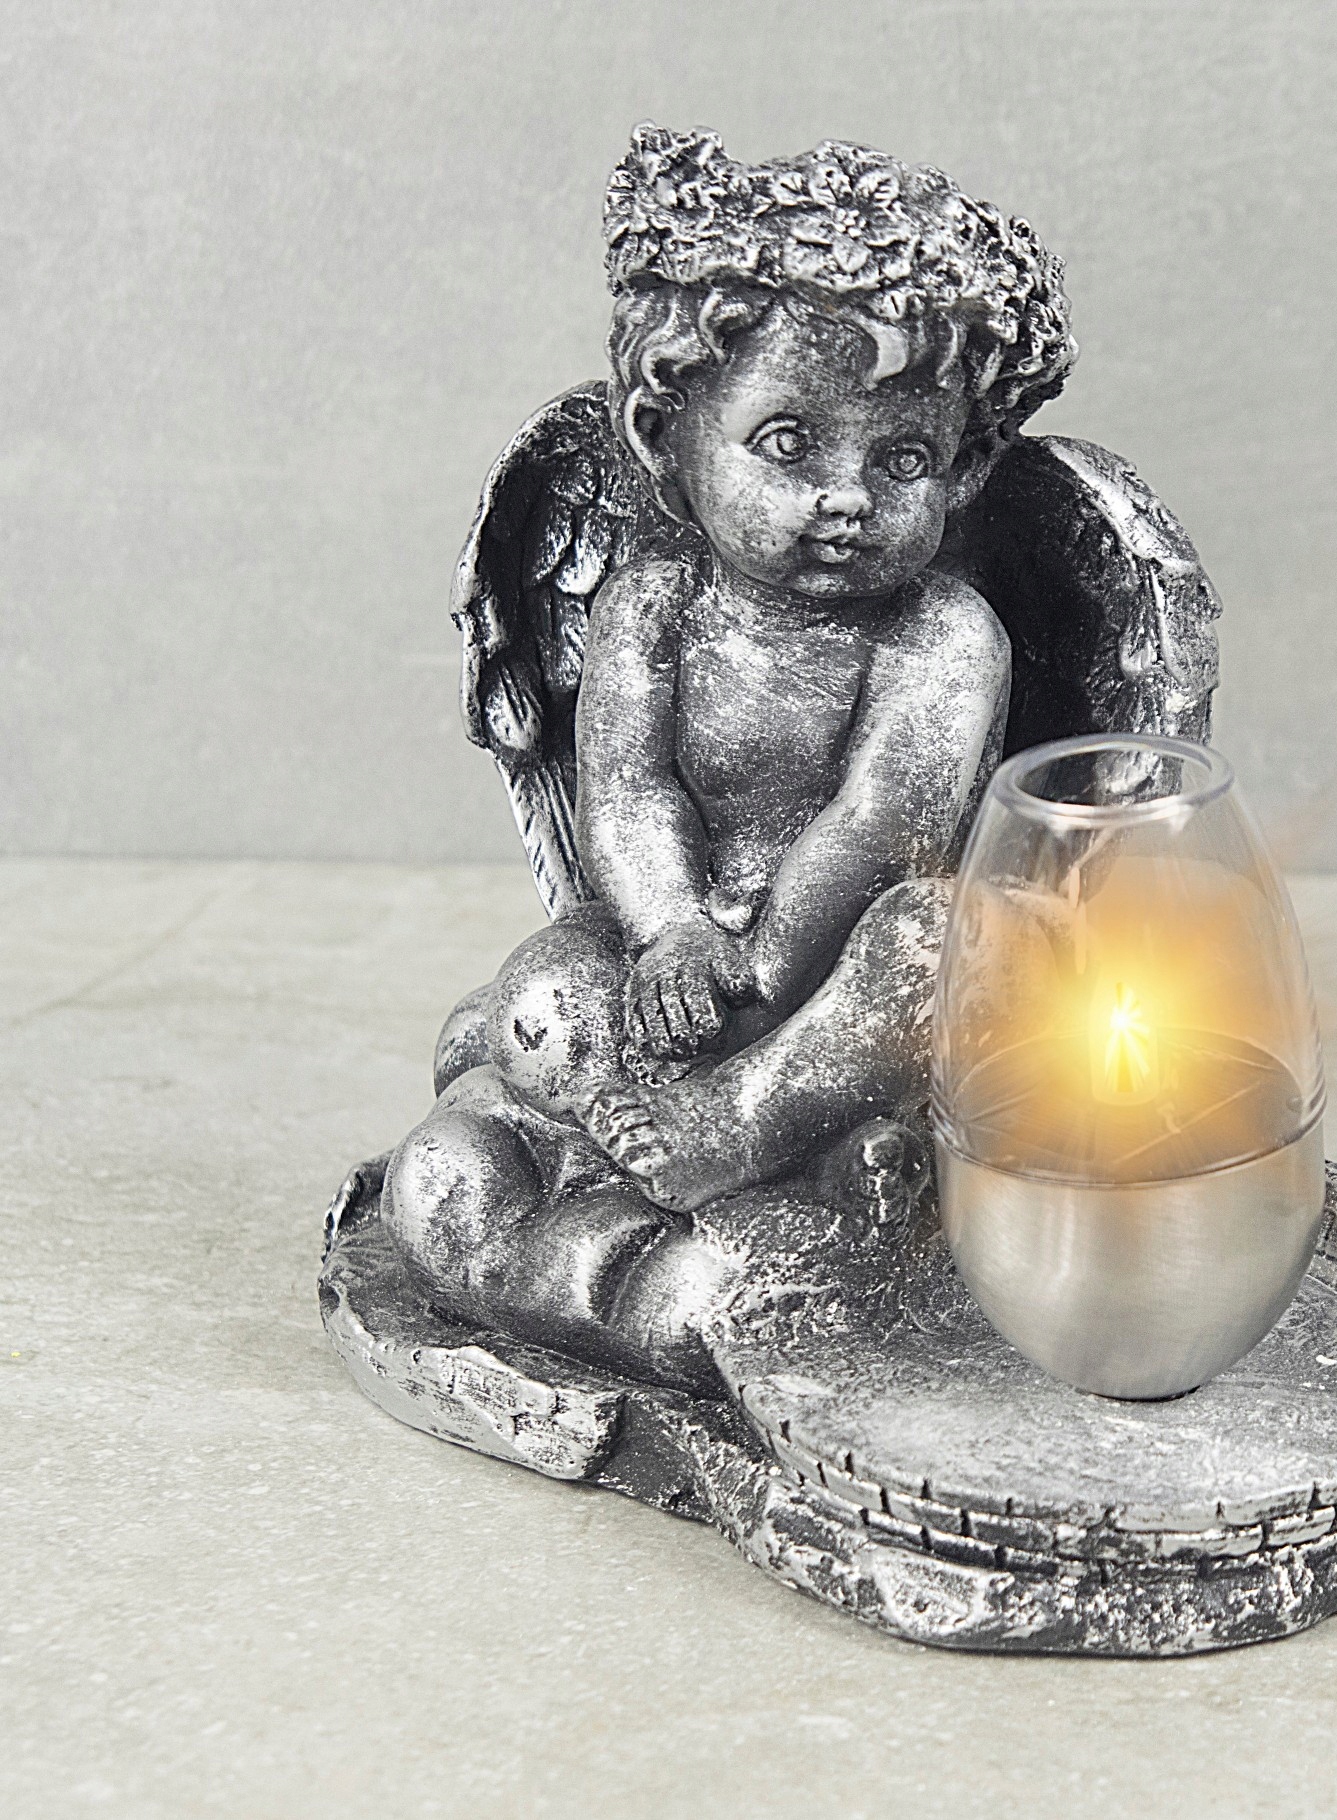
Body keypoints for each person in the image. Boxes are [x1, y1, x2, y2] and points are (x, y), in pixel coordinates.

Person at [380, 127, 1075, 1384]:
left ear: (967, 468)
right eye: (789, 443)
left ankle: (747, 1129)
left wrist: (754, 969)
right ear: (670, 436)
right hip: (675, 949)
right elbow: (625, 790)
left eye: (902, 458)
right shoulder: (651, 602)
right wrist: (670, 932)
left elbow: (883, 823)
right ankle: (577, 1185)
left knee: (936, 940)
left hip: (833, 964)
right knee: (547, 987)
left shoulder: (939, 633)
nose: (846, 496)